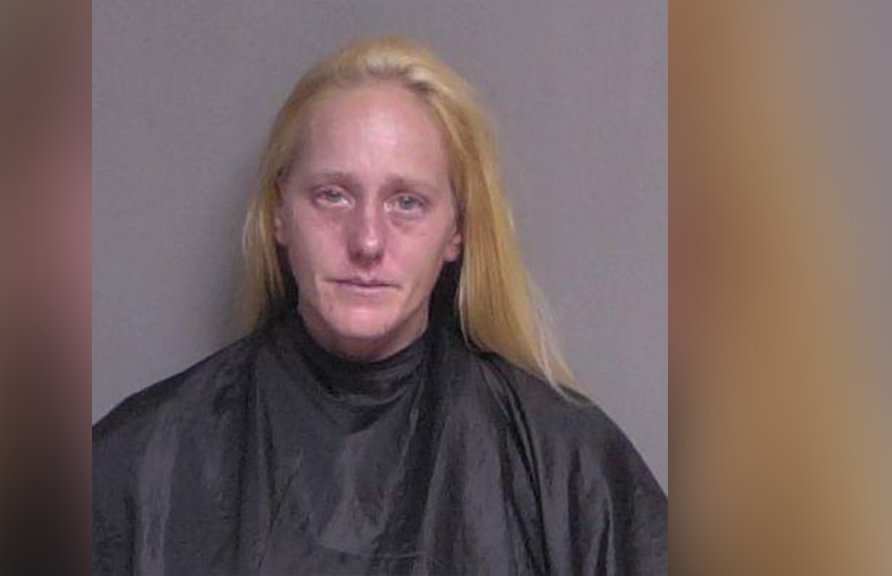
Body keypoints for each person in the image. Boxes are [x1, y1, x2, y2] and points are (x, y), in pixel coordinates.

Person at [93, 35, 667, 575]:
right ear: (279, 213)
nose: (367, 240)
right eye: (333, 195)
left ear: (457, 230)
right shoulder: (142, 463)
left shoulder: (564, 465)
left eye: (407, 202)